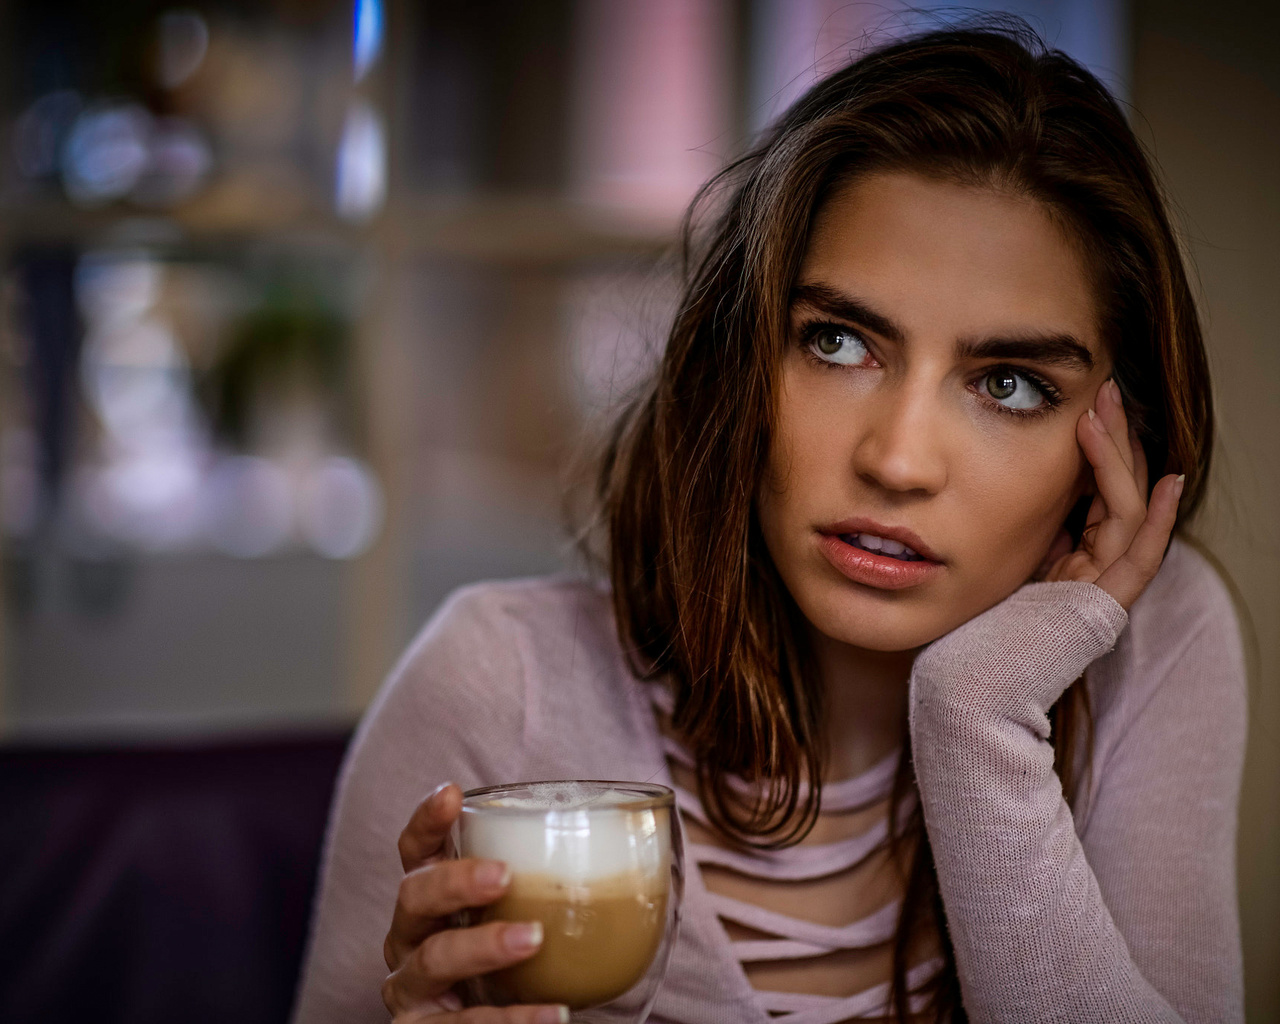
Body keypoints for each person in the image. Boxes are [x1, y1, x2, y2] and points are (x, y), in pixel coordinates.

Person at [291, 17, 1246, 1024]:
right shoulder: (499, 685)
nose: (895, 460)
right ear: (736, 356)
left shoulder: (1152, 641)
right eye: (835, 342)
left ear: (1114, 437)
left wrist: (976, 718)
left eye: (1006, 383)